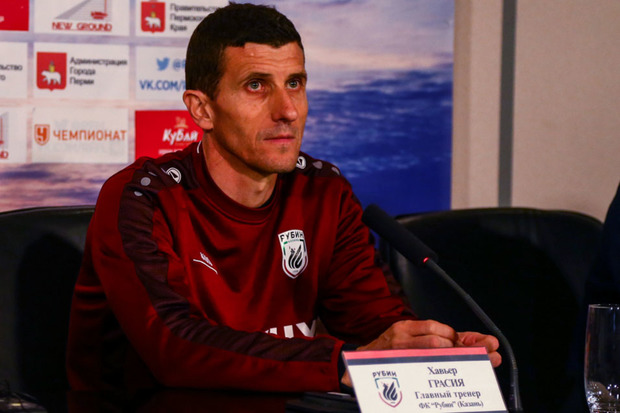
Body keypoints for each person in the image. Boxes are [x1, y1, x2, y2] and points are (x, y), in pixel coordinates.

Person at [66, 2, 500, 393]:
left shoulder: (323, 191)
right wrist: (341, 363)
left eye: (295, 83)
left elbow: (373, 323)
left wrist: (429, 349)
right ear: (202, 109)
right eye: (257, 85)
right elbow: (174, 347)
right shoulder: (143, 199)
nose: (287, 110)